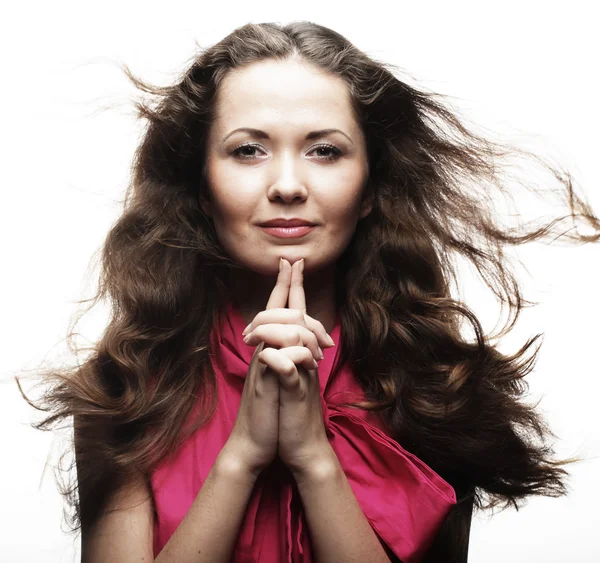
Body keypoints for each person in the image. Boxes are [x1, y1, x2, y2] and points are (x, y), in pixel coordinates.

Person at [17, 20, 600, 563]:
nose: (288, 185)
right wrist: (243, 453)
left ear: (371, 187)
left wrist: (312, 457)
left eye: (325, 151)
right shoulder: (123, 388)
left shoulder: (436, 384)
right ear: (201, 186)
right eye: (249, 150)